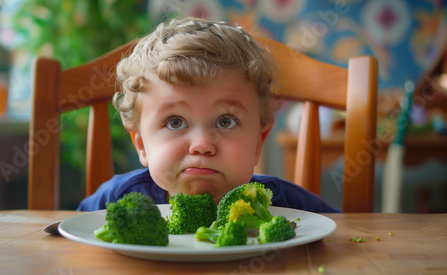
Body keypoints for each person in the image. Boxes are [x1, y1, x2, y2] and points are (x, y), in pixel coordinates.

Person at [77, 17, 339, 213]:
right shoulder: (116, 201)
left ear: (258, 143)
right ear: (142, 145)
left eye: (226, 121)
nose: (202, 145)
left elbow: (344, 237)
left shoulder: (285, 205)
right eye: (175, 122)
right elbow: (65, 240)